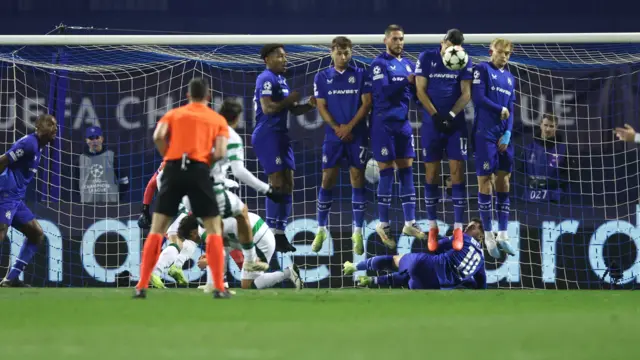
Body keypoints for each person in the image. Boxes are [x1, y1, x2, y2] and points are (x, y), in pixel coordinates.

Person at [134, 77, 230, 299]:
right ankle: (218, 287)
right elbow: (221, 152)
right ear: (208, 96)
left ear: (188, 96)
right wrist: (206, 161)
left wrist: (168, 155)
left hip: (173, 169)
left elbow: (158, 136)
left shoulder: (174, 114)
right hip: (198, 170)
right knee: (214, 229)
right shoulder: (217, 119)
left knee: (157, 229)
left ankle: (141, 286)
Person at [311, 36, 372, 255]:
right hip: (333, 136)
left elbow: (366, 104)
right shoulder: (321, 77)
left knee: (357, 178)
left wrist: (349, 127)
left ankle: (357, 230)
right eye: (339, 52)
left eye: (346, 52)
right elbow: (321, 106)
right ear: (331, 52)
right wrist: (338, 128)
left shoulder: (361, 74)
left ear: (351, 53)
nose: (343, 56)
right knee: (327, 179)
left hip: (357, 135)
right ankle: (321, 228)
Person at [252, 43, 316, 253]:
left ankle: (279, 232)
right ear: (267, 59)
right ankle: (271, 231)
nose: (284, 59)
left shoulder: (282, 80)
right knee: (277, 182)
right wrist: (288, 100)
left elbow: (294, 111)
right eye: (280, 56)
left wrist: (309, 104)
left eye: (285, 56)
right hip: (267, 135)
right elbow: (267, 107)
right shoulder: (266, 78)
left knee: (289, 182)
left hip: (280, 135)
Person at [415, 29, 473, 252]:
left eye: (458, 45)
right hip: (432, 123)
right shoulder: (427, 58)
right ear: (443, 42)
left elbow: (466, 93)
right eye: (451, 44)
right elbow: (420, 90)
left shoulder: (463, 59)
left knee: (457, 172)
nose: (454, 49)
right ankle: (432, 227)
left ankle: (458, 227)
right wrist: (436, 116)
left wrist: (450, 115)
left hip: (455, 124)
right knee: (431, 174)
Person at [369, 24, 424, 249]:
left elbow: (413, 95)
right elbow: (383, 91)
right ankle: (383, 223)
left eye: (401, 39)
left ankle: (409, 222)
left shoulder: (409, 65)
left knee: (407, 170)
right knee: (387, 172)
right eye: (394, 39)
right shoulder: (379, 64)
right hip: (383, 123)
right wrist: (405, 81)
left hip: (403, 124)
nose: (399, 43)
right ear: (385, 41)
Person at [471, 38, 518, 259]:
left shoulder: (510, 78)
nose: (504, 57)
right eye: (501, 52)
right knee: (485, 181)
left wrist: (508, 133)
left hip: (503, 137)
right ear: (491, 51)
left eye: (508, 54)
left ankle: (503, 233)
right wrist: (499, 109)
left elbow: (511, 109)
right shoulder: (482, 69)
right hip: (485, 135)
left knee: (504, 180)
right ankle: (488, 234)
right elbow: (478, 98)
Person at [343, 218, 486, 290]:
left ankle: (354, 267)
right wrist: (461, 281)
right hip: (435, 285)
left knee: (395, 260)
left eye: (473, 227)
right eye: (469, 224)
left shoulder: (464, 238)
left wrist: (427, 238)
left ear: (480, 236)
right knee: (407, 279)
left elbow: (436, 247)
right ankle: (372, 281)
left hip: (426, 264)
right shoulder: (481, 261)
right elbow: (481, 285)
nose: (468, 226)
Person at [0, 114, 58, 287]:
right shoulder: (29, 144)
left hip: (16, 199)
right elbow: (3, 160)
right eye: (50, 124)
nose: (54, 128)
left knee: (36, 234)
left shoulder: (38, 147)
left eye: (55, 124)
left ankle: (11, 278)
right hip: (5, 194)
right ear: (38, 128)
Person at [178, 213, 303, 291]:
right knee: (248, 283)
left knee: (247, 285)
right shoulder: (207, 221)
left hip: (259, 239)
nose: (194, 241)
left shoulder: (203, 231)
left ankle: (288, 272)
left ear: (192, 233)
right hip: (259, 234)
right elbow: (225, 247)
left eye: (191, 239)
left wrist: (208, 261)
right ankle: (216, 283)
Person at [521, 113, 568, 203]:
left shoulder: (564, 150)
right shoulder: (528, 148)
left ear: (556, 127)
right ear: (540, 125)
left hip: (555, 199)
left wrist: (547, 183)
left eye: (551, 126)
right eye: (545, 125)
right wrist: (530, 182)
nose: (548, 129)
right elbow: (520, 172)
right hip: (530, 199)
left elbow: (568, 176)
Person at [78, 125, 129, 203]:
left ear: (102, 139)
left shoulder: (112, 156)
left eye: (97, 137)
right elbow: (74, 185)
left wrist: (117, 198)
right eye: (91, 138)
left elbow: (124, 181)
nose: (94, 141)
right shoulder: (80, 160)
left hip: (110, 204)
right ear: (86, 140)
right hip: (87, 206)